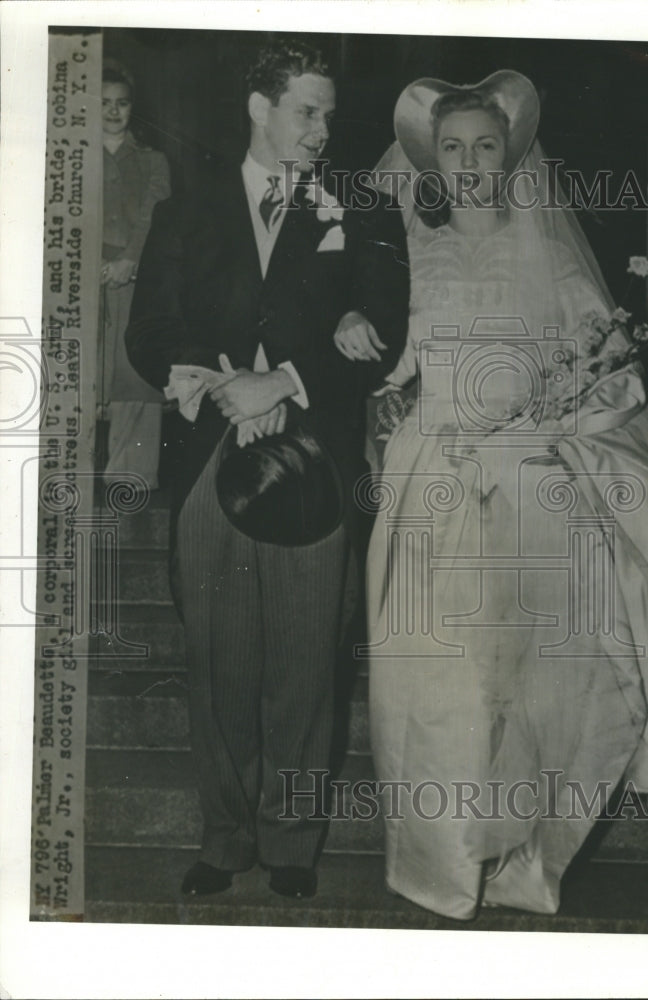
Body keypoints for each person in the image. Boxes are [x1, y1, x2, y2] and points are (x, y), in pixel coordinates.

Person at [337, 72, 648, 920]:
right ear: (430, 160)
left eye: (486, 145)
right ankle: (441, 867)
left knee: (547, 685)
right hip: (432, 481)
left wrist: (567, 407)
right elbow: (386, 357)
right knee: (438, 689)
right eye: (453, 148)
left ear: (511, 153)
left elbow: (610, 364)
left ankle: (525, 854)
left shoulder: (546, 246)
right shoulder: (409, 236)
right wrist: (366, 355)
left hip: (531, 487)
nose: (471, 161)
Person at [125, 39, 409, 899]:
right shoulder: (186, 211)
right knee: (216, 660)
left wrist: (283, 381)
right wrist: (202, 377)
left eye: (327, 112)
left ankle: (291, 845)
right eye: (305, 111)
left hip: (311, 459)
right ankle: (225, 836)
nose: (322, 130)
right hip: (210, 451)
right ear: (260, 109)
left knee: (303, 660)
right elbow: (149, 330)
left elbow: (382, 330)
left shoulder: (358, 209)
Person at [100, 60, 170, 488]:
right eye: (104, 103)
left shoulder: (153, 160)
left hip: (135, 274)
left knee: (134, 375)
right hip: (81, 276)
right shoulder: (67, 161)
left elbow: (153, 218)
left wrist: (129, 261)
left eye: (121, 103)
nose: (113, 112)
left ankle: (132, 483)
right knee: (83, 373)